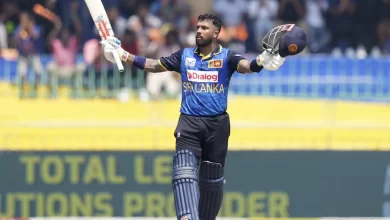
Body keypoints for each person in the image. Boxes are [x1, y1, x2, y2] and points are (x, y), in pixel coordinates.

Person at [101, 13, 288, 220]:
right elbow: (154, 65)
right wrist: (123, 55)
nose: (199, 31)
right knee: (183, 173)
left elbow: (247, 66)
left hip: (217, 125)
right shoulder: (185, 55)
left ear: (216, 33)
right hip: (189, 123)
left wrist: (262, 61)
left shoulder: (227, 56)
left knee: (212, 180)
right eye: (198, 27)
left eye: (204, 28)